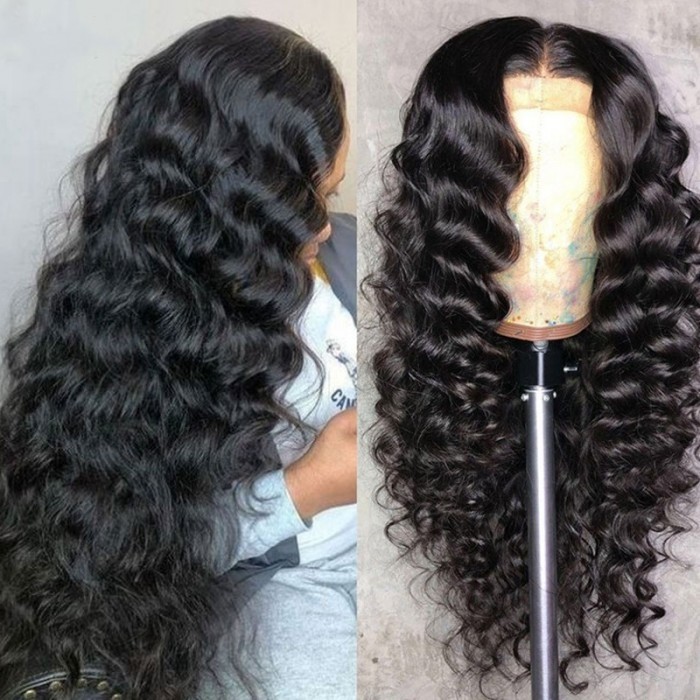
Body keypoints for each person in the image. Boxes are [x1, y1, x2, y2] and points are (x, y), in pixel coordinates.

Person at [0, 15, 356, 700]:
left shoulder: (345, 255)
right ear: (231, 202)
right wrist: (308, 487)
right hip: (283, 585)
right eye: (301, 202)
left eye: (330, 192)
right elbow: (130, 555)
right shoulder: (141, 333)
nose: (322, 224)